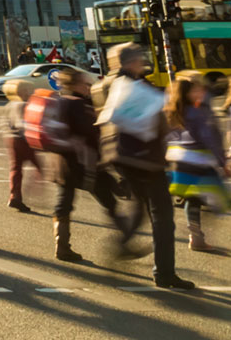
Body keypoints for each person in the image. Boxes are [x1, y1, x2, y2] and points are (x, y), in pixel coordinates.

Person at [97, 43, 193, 289]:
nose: (143, 63)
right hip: (144, 159)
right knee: (162, 216)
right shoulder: (137, 88)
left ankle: (124, 245)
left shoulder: (107, 84)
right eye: (140, 59)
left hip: (120, 157)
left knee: (141, 208)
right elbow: (160, 118)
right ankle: (164, 272)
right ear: (131, 62)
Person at [164, 72, 230, 254]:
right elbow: (210, 138)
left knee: (192, 199)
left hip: (179, 160)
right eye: (196, 89)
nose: (200, 92)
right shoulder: (197, 112)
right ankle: (198, 235)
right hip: (199, 160)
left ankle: (196, 235)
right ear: (188, 92)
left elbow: (165, 137)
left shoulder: (171, 110)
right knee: (220, 198)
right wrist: (222, 161)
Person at [1, 78, 41, 212]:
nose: (31, 92)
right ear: (22, 91)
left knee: (16, 168)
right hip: (24, 140)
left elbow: (4, 122)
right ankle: (36, 194)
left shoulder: (10, 104)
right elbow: (24, 124)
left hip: (11, 139)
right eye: (28, 90)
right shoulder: (23, 105)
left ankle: (15, 196)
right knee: (41, 167)